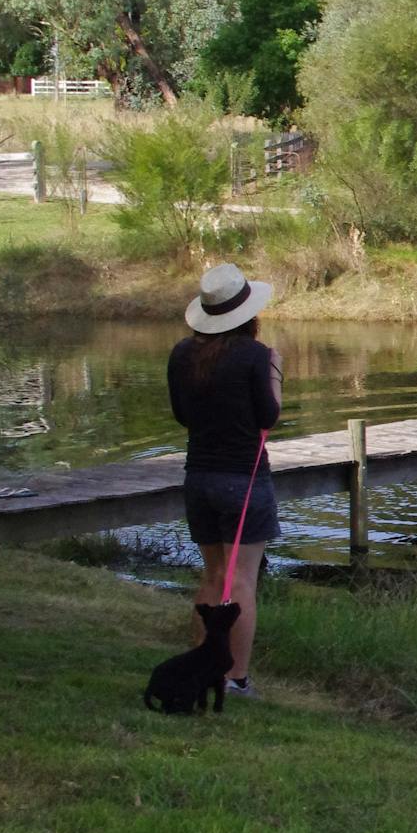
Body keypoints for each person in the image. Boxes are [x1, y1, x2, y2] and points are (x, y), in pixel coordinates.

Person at [168, 262, 284, 698]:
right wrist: (276, 375)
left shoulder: (182, 354)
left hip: (197, 477)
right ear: (248, 315)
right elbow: (268, 416)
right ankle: (236, 677)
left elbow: (182, 415)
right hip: (244, 481)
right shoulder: (258, 356)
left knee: (214, 574)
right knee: (242, 583)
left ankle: (201, 668)